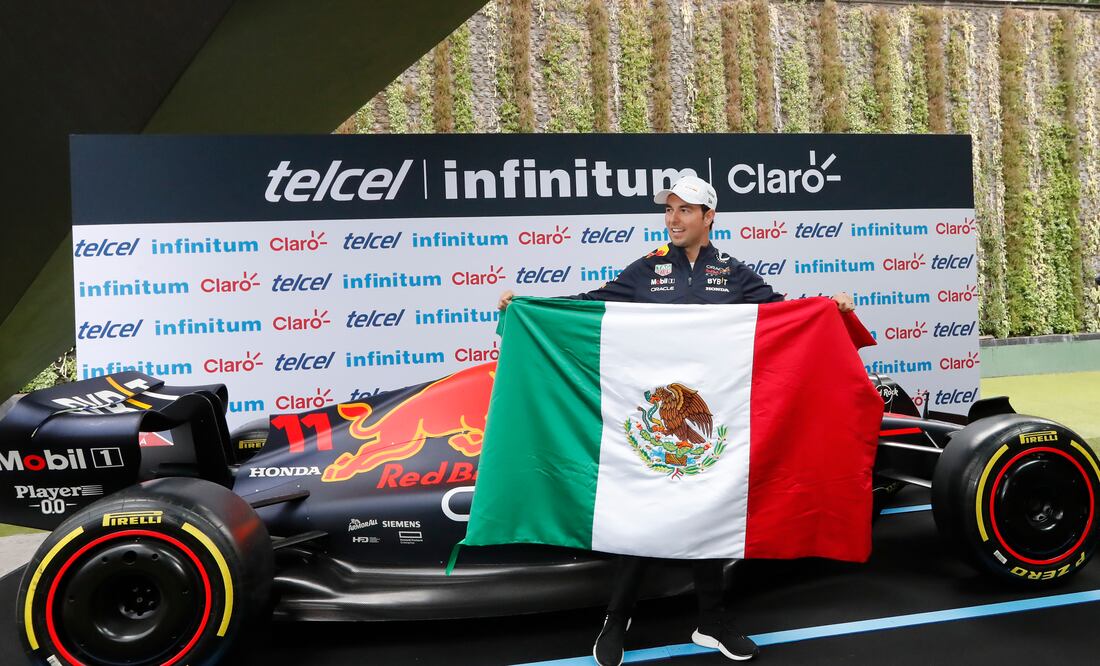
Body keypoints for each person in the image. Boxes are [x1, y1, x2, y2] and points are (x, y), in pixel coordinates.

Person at [498, 175, 854, 664]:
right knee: (645, 516)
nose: (673, 219)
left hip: (713, 419)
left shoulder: (732, 273)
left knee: (709, 514)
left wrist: (828, 309)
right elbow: (594, 305)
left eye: (685, 210)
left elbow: (784, 313)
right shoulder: (648, 269)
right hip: (650, 419)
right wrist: (529, 308)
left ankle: (712, 622)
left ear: (709, 217)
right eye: (669, 210)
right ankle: (615, 620)